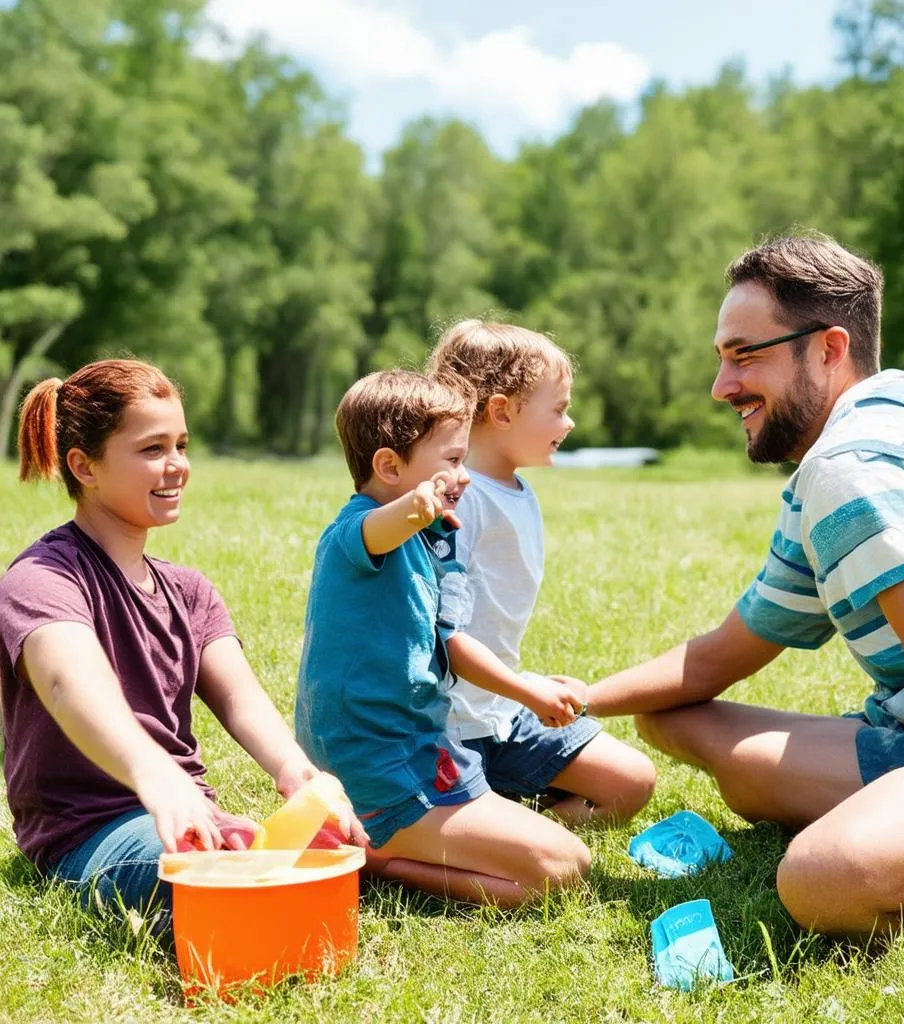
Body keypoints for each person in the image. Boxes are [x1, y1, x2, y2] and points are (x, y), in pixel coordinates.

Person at [584, 232, 904, 936]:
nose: (721, 387)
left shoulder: (855, 461)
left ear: (828, 348)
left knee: (821, 879)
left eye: (744, 355)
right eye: (722, 358)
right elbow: (722, 654)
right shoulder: (884, 419)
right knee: (670, 714)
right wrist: (570, 698)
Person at [0, 359, 364, 931]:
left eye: (181, 445)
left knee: (314, 856)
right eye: (152, 449)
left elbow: (242, 702)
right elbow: (68, 681)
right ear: (84, 466)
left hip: (187, 813)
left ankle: (244, 855)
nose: (176, 467)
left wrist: (303, 777)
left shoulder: (189, 591)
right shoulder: (42, 579)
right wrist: (156, 775)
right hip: (88, 832)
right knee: (237, 896)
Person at [295, 368, 592, 907]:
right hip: (374, 760)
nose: (465, 476)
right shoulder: (359, 532)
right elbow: (381, 529)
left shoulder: (430, 536)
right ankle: (374, 856)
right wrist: (421, 505)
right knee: (559, 870)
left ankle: (392, 845)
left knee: (563, 867)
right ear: (388, 466)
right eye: (452, 462)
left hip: (419, 744)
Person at [426, 320, 655, 824]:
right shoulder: (456, 504)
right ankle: (502, 815)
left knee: (632, 782)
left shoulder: (516, 490)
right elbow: (445, 636)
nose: (569, 422)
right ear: (502, 411)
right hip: (446, 728)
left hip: (503, 713)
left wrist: (521, 686)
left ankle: (520, 811)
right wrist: (525, 689)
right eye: (558, 409)